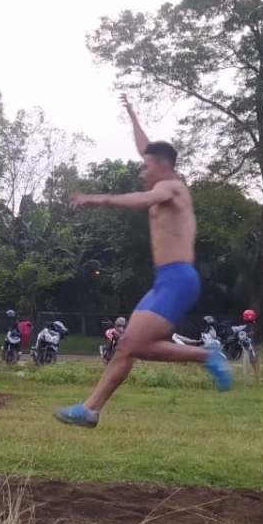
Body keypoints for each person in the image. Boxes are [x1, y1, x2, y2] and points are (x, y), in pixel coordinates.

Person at [54, 94, 232, 429]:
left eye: (145, 165)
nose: (141, 170)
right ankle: (90, 410)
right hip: (165, 280)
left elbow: (144, 198)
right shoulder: (164, 173)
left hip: (178, 279)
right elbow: (146, 148)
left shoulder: (171, 187)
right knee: (127, 347)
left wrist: (98, 198)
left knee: (137, 344)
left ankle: (206, 355)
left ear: (163, 166)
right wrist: (131, 113)